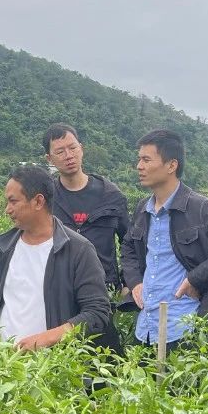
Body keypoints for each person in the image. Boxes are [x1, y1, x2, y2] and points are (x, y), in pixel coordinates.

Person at [121, 129, 208, 347]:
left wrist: (195, 279)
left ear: (171, 165)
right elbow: (128, 247)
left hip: (183, 328)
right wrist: (135, 282)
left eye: (146, 160)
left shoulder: (199, 208)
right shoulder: (143, 209)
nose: (139, 166)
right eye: (139, 159)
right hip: (146, 327)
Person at [0, 166, 122, 354]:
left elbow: (97, 313)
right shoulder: (3, 247)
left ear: (38, 201)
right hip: (3, 361)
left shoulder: (78, 250)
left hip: (51, 365)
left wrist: (48, 338)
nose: (7, 210)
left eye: (13, 201)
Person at [43, 123, 130, 290]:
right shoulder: (46, 199)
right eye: (60, 152)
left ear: (81, 149)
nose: (69, 156)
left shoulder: (111, 195)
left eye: (73, 148)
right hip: (59, 290)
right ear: (49, 159)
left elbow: (130, 243)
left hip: (104, 290)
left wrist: (127, 283)